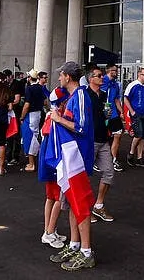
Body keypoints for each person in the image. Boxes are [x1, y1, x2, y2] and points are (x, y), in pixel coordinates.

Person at [43, 61, 97, 271]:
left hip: (78, 159)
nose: (58, 79)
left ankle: (86, 251)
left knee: (80, 204)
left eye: (61, 75)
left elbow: (81, 127)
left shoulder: (81, 96)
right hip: (70, 159)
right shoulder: (74, 97)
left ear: (68, 76)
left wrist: (58, 118)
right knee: (72, 203)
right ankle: (75, 245)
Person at [85, 67, 117, 225]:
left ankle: (98, 204)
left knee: (109, 172)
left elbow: (106, 113)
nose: (102, 78)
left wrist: (108, 115)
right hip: (89, 139)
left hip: (103, 138)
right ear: (91, 78)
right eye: (99, 76)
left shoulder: (104, 95)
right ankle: (85, 208)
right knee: (85, 175)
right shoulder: (85, 95)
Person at [124, 68, 144, 168]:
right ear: (139, 75)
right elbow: (126, 98)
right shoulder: (133, 85)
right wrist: (132, 111)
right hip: (136, 114)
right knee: (138, 134)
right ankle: (131, 153)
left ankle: (140, 157)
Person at [21, 71, 48, 171]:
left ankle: (32, 163)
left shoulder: (29, 89)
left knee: (30, 137)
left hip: (31, 114)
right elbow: (45, 102)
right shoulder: (40, 88)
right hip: (38, 113)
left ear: (29, 78)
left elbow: (26, 105)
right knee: (35, 136)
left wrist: (22, 117)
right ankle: (34, 161)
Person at [100, 66, 124, 172]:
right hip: (103, 111)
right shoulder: (102, 81)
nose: (116, 72)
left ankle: (113, 159)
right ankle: (99, 160)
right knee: (101, 137)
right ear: (108, 71)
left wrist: (121, 111)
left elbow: (116, 99)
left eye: (117, 71)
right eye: (114, 70)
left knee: (118, 134)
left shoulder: (115, 84)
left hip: (113, 112)